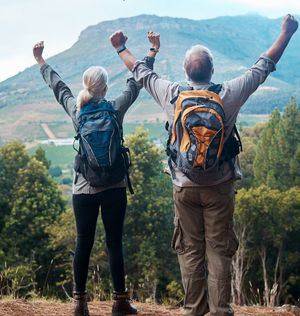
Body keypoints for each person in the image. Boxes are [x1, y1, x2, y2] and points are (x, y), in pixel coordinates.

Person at [109, 14, 299, 316]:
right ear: (212, 70)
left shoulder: (172, 93)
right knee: (219, 250)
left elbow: (141, 72)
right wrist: (287, 33)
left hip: (184, 187)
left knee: (190, 250)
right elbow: (263, 66)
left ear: (186, 71)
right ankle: (221, 311)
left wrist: (121, 48)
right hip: (220, 186)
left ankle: (193, 311)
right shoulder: (228, 93)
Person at [33, 40, 158, 316]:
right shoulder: (114, 108)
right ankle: (120, 302)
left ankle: (79, 303)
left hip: (83, 189)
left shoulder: (78, 112)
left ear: (87, 86)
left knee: (83, 243)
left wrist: (41, 61)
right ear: (104, 87)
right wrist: (151, 53)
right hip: (114, 187)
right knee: (115, 243)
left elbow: (59, 88)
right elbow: (136, 81)